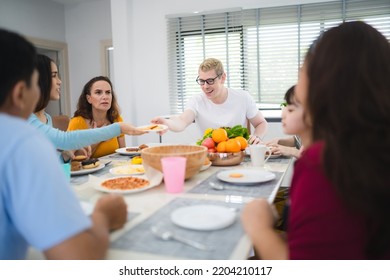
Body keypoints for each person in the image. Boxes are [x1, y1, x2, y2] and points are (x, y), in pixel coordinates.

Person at [241, 21, 390, 259]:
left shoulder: (325, 164)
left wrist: (259, 228)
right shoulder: (373, 149)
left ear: (322, 82)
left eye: (303, 71)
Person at [0, 28, 128, 259]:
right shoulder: (22, 140)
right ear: (20, 92)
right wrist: (104, 215)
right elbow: (79, 258)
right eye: (37, 82)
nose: (58, 82)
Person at [28, 55, 146, 162]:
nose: (60, 81)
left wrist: (65, 154)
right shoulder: (24, 119)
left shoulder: (46, 118)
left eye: (108, 92)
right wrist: (118, 128)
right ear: (38, 80)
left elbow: (51, 159)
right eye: (54, 76)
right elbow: (64, 140)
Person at [151, 58, 268, 144]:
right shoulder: (196, 101)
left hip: (240, 154)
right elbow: (182, 120)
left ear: (222, 78)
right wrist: (167, 123)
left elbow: (261, 123)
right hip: (211, 155)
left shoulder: (243, 97)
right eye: (201, 81)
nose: (205, 86)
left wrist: (257, 137)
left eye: (210, 81)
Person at [68, 76, 128, 158]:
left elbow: (123, 153)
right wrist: (98, 136)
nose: (105, 97)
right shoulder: (77, 122)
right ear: (89, 98)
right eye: (98, 92)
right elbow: (74, 159)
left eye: (108, 92)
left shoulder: (116, 119)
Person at [266, 85, 308, 159]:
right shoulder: (306, 135)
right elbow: (298, 140)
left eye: (290, 110)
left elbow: (314, 159)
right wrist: (279, 141)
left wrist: (292, 151)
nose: (283, 115)